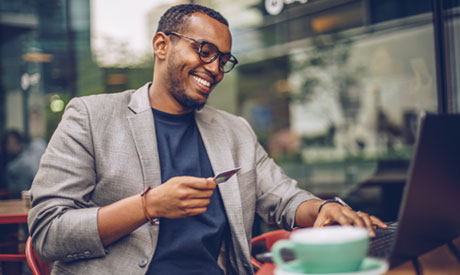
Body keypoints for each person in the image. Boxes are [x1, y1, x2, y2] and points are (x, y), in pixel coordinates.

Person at [28, 4, 387, 275]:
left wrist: (323, 209)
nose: (215, 69)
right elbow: (48, 233)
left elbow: (285, 199)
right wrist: (148, 206)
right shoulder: (92, 116)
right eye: (204, 51)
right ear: (161, 45)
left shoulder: (234, 131)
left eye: (224, 59)